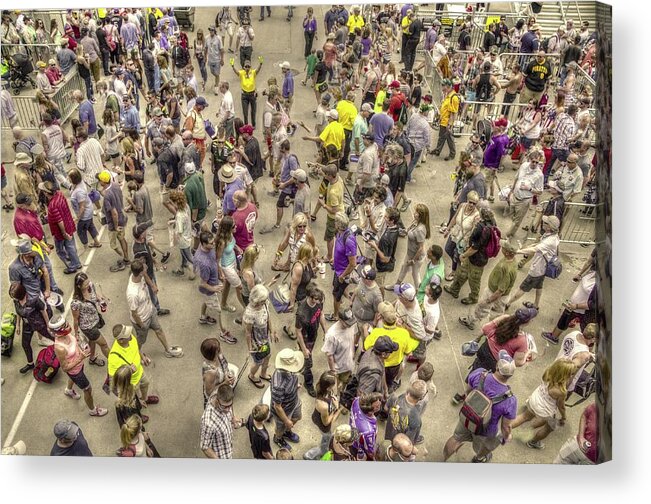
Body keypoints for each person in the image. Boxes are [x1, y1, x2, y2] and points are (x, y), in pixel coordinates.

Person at [444, 350, 517, 463]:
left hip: (467, 418)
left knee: (456, 438)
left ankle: (444, 459)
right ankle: (479, 458)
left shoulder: (480, 373)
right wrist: (507, 436)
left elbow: (467, 392)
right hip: (486, 430)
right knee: (484, 448)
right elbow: (505, 426)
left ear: (497, 366)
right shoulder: (510, 400)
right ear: (510, 375)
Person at [512, 359, 577, 450]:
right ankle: (533, 442)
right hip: (544, 410)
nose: (571, 376)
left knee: (524, 416)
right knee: (550, 427)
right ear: (564, 375)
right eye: (570, 374)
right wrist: (563, 417)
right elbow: (561, 407)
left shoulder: (548, 373)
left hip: (534, 400)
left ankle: (506, 429)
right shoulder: (561, 391)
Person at [50, 316, 108, 417]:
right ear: (58, 330)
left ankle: (68, 390)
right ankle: (93, 410)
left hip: (78, 366)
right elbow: (65, 368)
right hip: (75, 372)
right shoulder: (60, 348)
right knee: (88, 389)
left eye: (66, 323)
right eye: (65, 325)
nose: (68, 325)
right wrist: (80, 358)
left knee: (72, 378)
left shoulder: (67, 335)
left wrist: (82, 350)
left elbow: (75, 346)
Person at [126, 260, 183, 359]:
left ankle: (168, 350)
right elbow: (134, 313)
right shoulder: (132, 293)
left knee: (159, 329)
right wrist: (142, 325)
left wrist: (152, 286)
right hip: (142, 320)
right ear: (140, 273)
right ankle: (137, 354)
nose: (146, 269)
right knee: (141, 341)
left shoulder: (139, 275)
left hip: (150, 311)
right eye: (144, 269)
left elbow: (146, 276)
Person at [459, 241, 519, 330]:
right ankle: (496, 328)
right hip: (502, 294)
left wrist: (488, 300)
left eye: (504, 248)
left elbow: (500, 291)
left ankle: (472, 322)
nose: (501, 247)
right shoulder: (512, 261)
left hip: (494, 293)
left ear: (507, 253)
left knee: (482, 307)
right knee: (497, 313)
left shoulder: (506, 268)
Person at [444, 206, 497, 305]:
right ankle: (454, 289)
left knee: (474, 280)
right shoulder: (492, 224)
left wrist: (464, 254)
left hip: (477, 260)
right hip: (476, 257)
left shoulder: (481, 228)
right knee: (461, 272)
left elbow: (475, 247)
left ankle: (473, 297)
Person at [506, 215, 561, 310]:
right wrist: (526, 247)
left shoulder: (550, 241)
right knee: (539, 286)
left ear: (550, 227)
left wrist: (517, 252)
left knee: (523, 287)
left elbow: (535, 249)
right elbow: (539, 244)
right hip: (543, 269)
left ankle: (508, 303)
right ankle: (536, 305)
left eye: (546, 222)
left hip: (538, 269)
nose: (543, 222)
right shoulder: (552, 236)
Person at [364, 302, 419, 392]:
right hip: (394, 366)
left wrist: (366, 329)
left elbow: (367, 346)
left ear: (381, 318)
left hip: (379, 365)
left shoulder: (377, 332)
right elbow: (408, 352)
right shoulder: (404, 333)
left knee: (377, 384)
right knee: (388, 382)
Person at [9, 283, 53, 375]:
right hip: (27, 325)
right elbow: (18, 311)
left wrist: (48, 325)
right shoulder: (16, 301)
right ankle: (30, 364)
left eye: (14, 296)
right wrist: (18, 325)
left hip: (39, 323)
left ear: (21, 293)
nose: (13, 298)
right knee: (25, 344)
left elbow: (43, 310)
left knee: (54, 338)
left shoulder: (34, 299)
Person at [40, 181, 82, 275]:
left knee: (60, 250)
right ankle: (77, 263)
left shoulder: (52, 205)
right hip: (69, 224)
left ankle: (71, 267)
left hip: (61, 232)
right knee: (71, 246)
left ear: (46, 193)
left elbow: (59, 221)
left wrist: (64, 233)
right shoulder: (59, 194)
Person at [71, 272, 109, 366]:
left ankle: (92, 358)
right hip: (89, 328)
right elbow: (75, 319)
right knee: (103, 344)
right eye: (85, 284)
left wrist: (100, 299)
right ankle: (115, 363)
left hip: (95, 320)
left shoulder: (90, 286)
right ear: (79, 286)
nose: (88, 284)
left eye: (88, 282)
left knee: (92, 340)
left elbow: (95, 295)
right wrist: (76, 334)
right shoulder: (76, 302)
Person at [295, 283, 326, 396]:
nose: (318, 302)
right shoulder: (301, 313)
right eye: (316, 300)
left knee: (308, 357)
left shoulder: (319, 302)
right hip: (305, 339)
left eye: (319, 300)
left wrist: (325, 330)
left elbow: (321, 314)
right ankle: (309, 383)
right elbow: (298, 331)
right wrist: (303, 349)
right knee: (307, 363)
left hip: (313, 335)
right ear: (309, 297)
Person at [271, 348, 305, 451]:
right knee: (280, 428)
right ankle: (278, 438)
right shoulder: (278, 385)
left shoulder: (290, 371)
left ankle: (286, 431)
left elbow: (293, 377)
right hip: (284, 410)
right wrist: (286, 420)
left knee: (297, 417)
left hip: (294, 401)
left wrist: (295, 386)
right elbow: (277, 406)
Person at [326, 212, 358, 322]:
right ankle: (347, 298)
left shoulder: (349, 240)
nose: (334, 223)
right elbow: (339, 250)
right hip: (338, 269)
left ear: (339, 225)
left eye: (335, 221)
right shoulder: (340, 233)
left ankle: (336, 315)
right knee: (336, 288)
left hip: (342, 274)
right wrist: (334, 259)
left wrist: (342, 276)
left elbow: (353, 263)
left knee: (336, 294)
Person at [97, 170, 130, 272]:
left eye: (99, 180)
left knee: (113, 244)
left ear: (103, 182)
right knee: (122, 238)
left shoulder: (107, 196)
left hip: (114, 222)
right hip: (122, 216)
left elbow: (114, 213)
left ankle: (122, 256)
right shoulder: (115, 185)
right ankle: (126, 257)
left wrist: (115, 227)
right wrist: (102, 192)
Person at [304, 370, 341, 460]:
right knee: (325, 442)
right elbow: (326, 423)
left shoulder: (320, 386)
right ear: (328, 388)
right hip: (323, 425)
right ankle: (310, 455)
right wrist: (336, 408)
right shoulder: (323, 406)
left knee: (327, 439)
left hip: (319, 415)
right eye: (334, 384)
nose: (335, 386)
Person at [244, 284, 277, 387]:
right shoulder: (250, 313)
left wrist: (272, 332)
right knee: (258, 361)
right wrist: (250, 348)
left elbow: (268, 318)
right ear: (256, 299)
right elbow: (248, 332)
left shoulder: (264, 304)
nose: (264, 302)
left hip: (265, 339)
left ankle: (263, 374)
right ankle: (252, 375)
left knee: (268, 355)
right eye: (262, 301)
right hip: (257, 343)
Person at [201, 383, 244, 459]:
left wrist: (233, 417)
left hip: (227, 443)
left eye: (230, 405)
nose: (228, 410)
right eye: (224, 406)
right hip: (222, 455)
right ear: (217, 400)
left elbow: (228, 407)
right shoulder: (208, 422)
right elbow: (205, 447)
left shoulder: (221, 396)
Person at [322, 308, 358, 394]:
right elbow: (329, 355)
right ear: (340, 319)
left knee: (346, 382)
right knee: (335, 387)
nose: (350, 325)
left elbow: (352, 337)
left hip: (349, 363)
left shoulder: (352, 324)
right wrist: (333, 371)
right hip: (339, 368)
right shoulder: (332, 335)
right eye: (347, 323)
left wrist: (352, 353)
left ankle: (342, 392)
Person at [385, 380, 427, 445]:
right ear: (421, 398)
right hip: (400, 443)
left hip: (389, 432)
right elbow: (408, 441)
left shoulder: (395, 396)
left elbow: (385, 408)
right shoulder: (416, 419)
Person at [431, 79, 460, 161]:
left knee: (449, 139)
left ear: (449, 86)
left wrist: (450, 124)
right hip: (443, 121)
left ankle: (452, 154)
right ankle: (437, 150)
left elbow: (453, 113)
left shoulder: (454, 98)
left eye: (444, 86)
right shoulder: (448, 95)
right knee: (441, 137)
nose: (442, 88)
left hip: (447, 123)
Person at [350, 392, 383, 460]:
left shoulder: (357, 400)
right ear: (370, 411)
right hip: (361, 447)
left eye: (379, 401)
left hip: (353, 434)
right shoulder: (369, 431)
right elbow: (370, 453)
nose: (380, 403)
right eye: (377, 406)